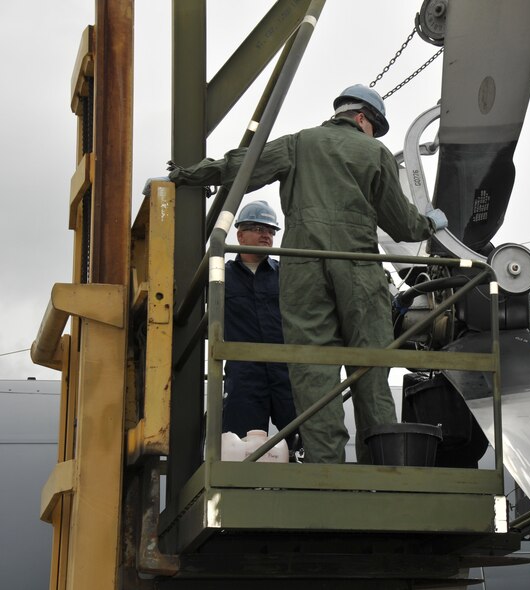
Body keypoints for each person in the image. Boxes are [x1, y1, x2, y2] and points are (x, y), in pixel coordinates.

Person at [165, 84, 448, 464]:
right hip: (360, 272)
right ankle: (383, 469)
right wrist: (430, 223)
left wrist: (195, 174)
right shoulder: (375, 152)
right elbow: (401, 224)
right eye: (374, 127)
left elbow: (244, 166)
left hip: (302, 271)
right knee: (371, 368)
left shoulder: (298, 143)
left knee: (314, 372)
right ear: (363, 118)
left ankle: (325, 469)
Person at [223, 200, 298, 453]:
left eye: (270, 230)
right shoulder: (221, 277)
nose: (266, 234)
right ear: (240, 235)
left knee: (304, 435)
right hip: (244, 373)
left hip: (286, 370)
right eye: (257, 228)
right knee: (241, 445)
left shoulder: (286, 274)